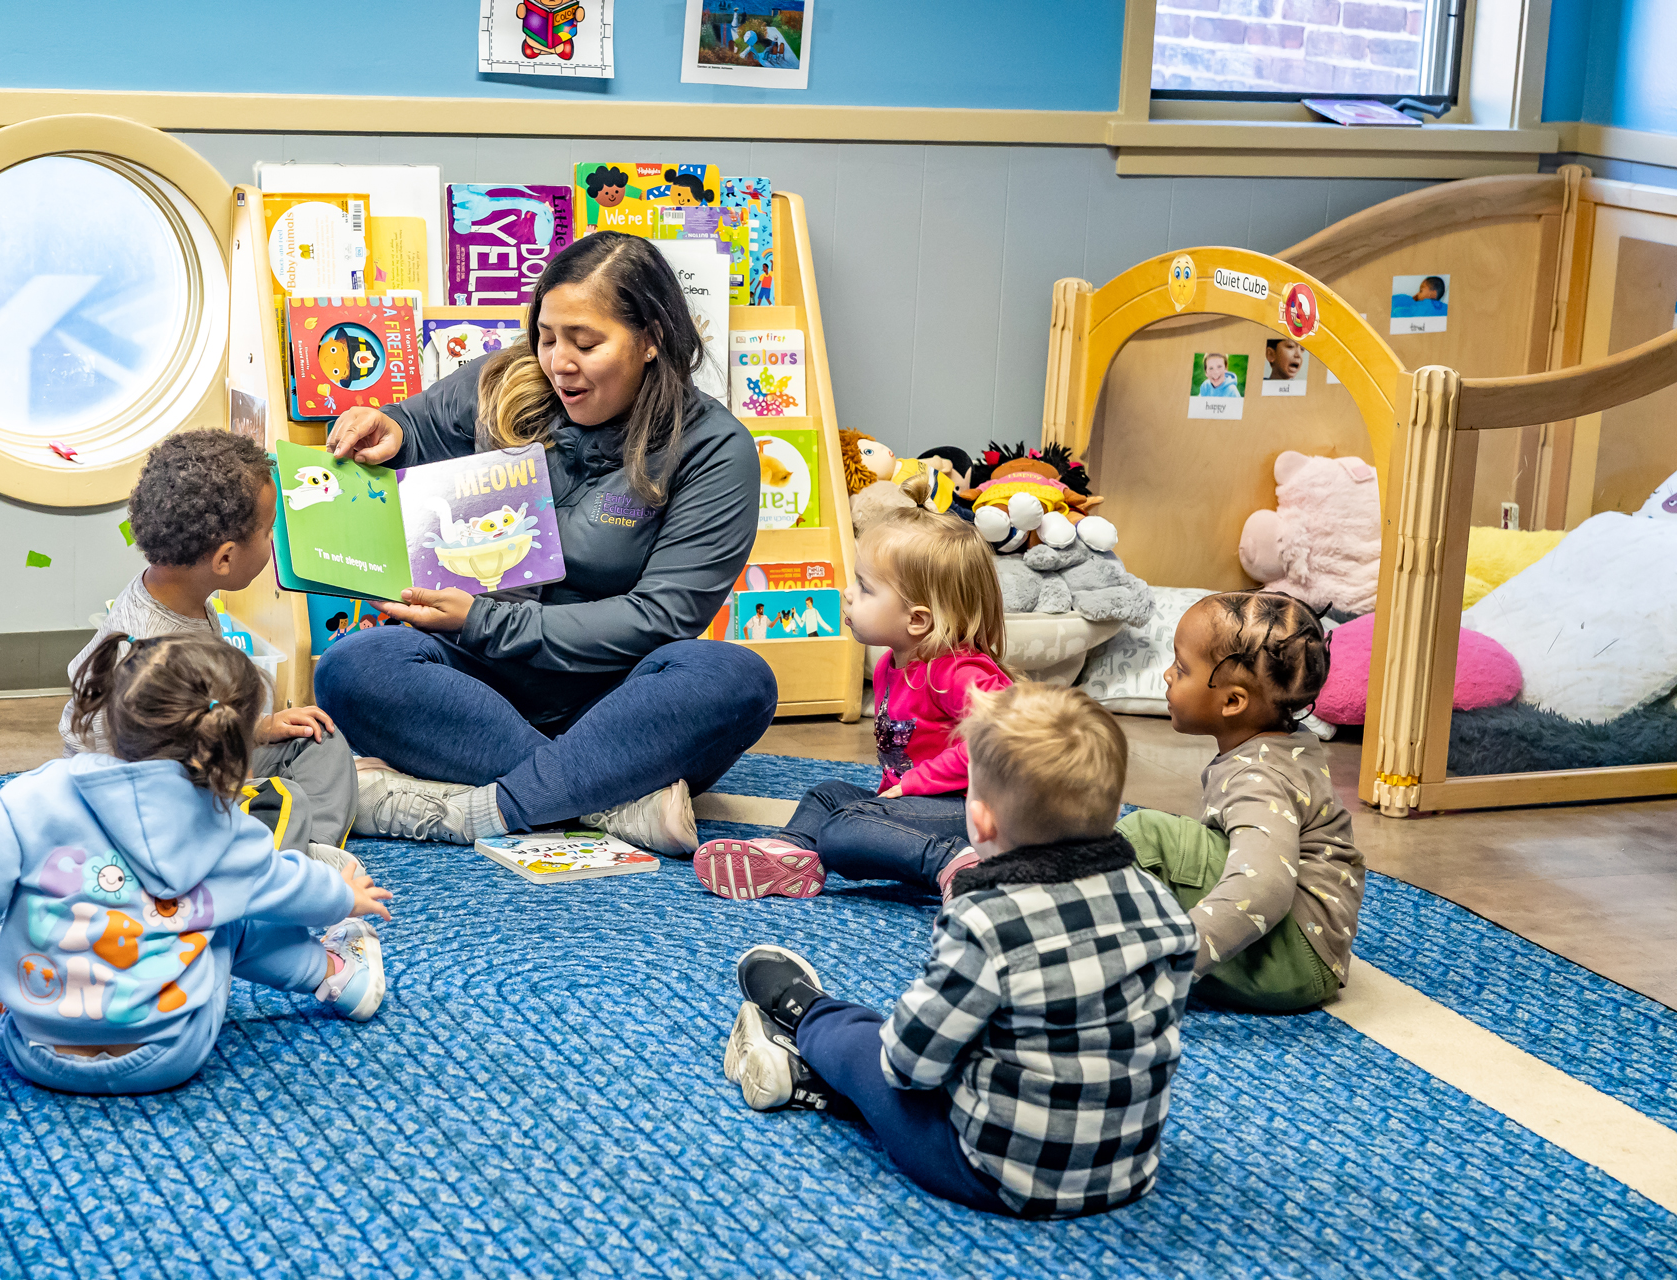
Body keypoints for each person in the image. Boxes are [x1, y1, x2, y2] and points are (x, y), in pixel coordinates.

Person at [315, 232, 775, 856]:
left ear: (652, 338)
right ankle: (610, 802)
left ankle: (478, 808)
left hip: (617, 701)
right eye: (547, 335)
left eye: (586, 342)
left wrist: (486, 621)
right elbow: (417, 423)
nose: (558, 361)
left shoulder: (714, 448)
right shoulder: (511, 380)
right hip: (477, 687)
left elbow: (665, 617)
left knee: (734, 678)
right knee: (353, 666)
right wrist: (388, 426)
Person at [718, 683, 1198, 1218]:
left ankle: (804, 1013)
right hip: (1127, 1170)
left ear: (982, 819)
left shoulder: (987, 918)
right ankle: (809, 1082)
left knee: (865, 1046)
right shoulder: (1160, 902)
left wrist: (868, 1040)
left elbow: (908, 1064)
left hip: (991, 1173)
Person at [0, 635, 394, 1095]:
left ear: (112, 715)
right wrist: (346, 896)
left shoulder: (31, 797)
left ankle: (30, 1008)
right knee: (225, 916)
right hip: (172, 1053)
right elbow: (289, 886)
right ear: (237, 746)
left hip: (39, 1053)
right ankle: (335, 973)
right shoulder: (228, 829)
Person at [61, 431, 360, 868]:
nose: (272, 542)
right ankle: (287, 860)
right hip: (146, 802)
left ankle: (303, 848)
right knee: (285, 795)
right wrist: (237, 777)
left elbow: (201, 723)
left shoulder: (178, 594)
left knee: (321, 740)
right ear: (223, 558)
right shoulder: (150, 648)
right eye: (267, 531)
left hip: (195, 755)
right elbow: (148, 773)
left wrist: (259, 728)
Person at [693, 502, 1011, 901]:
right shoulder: (889, 668)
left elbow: (1004, 738)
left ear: (918, 620)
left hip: (975, 815)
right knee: (828, 795)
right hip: (917, 806)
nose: (847, 593)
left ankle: (957, 866)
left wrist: (915, 784)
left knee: (843, 829)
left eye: (864, 587)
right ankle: (789, 854)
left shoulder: (955, 674)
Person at [1118, 591, 1363, 1012]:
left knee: (1147, 835)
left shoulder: (1259, 777)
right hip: (1304, 954)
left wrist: (1170, 962)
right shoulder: (1281, 745)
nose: (1167, 676)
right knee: (1181, 849)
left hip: (1289, 958)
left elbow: (1264, 887)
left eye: (1181, 667)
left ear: (1232, 701)